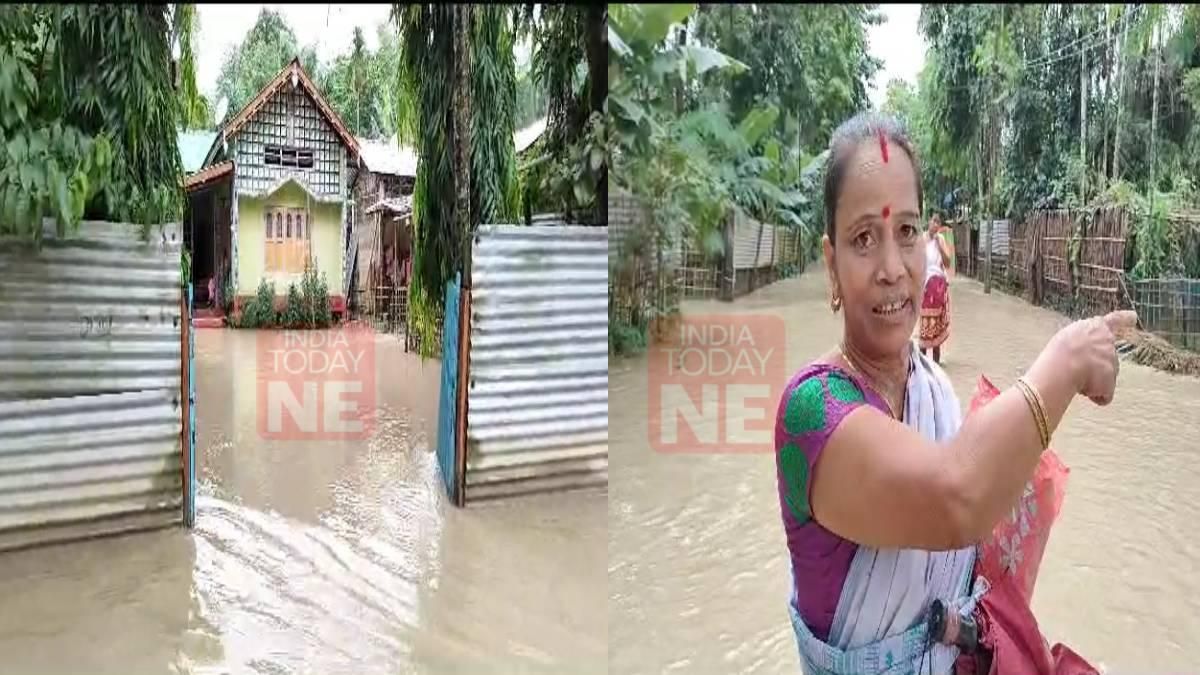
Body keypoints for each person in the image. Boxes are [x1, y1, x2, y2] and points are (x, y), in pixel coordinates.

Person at [774, 111, 1134, 674]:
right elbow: (956, 499)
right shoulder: (812, 413)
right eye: (864, 238)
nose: (893, 268)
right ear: (830, 264)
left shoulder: (934, 387)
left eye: (907, 232)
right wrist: (1065, 361)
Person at [920, 213, 954, 363]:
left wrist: (940, 247)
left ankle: (935, 363)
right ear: (929, 222)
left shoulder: (941, 240)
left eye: (938, 222)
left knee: (937, 327)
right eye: (933, 220)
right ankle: (921, 361)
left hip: (938, 287)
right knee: (925, 326)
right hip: (925, 287)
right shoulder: (922, 239)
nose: (935, 224)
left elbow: (947, 263)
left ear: (939, 226)